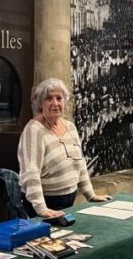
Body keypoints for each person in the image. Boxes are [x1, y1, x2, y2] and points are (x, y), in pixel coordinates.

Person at [18, 78, 111, 218]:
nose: (55, 103)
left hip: (68, 203)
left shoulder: (70, 127)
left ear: (65, 102)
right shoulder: (34, 130)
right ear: (40, 104)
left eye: (59, 98)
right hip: (43, 207)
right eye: (49, 99)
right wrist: (41, 208)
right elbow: (31, 173)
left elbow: (80, 164)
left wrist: (91, 195)